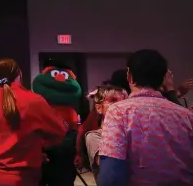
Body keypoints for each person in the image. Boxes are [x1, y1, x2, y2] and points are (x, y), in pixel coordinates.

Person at [99, 49, 193, 186]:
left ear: (129, 76)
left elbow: (111, 172)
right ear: (163, 78)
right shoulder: (186, 115)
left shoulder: (119, 112)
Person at [0, 58, 68, 186]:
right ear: (19, 73)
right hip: (24, 178)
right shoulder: (33, 100)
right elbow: (59, 131)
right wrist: (38, 148)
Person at [83, 85, 128, 183]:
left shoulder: (130, 132)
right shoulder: (93, 136)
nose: (120, 105)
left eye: (124, 101)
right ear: (99, 108)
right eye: (113, 100)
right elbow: (109, 165)